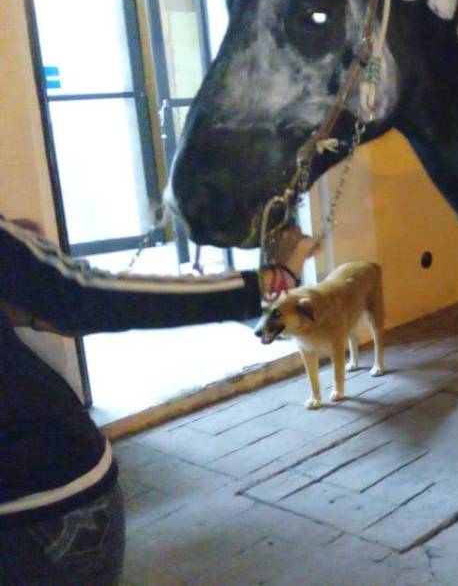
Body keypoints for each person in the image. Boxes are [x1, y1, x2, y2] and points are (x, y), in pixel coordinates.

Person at [0, 214, 315, 585]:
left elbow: (78, 296)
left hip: (40, 507)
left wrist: (264, 284)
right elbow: (82, 296)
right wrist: (269, 281)